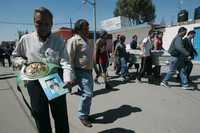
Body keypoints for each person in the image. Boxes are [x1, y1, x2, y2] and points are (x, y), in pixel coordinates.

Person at [12, 7, 72, 133]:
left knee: (60, 116)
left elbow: (65, 62)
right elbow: (15, 56)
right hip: (34, 84)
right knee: (40, 117)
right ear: (34, 21)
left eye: (47, 24)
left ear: (51, 24)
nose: (43, 27)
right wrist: (23, 63)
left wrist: (67, 79)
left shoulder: (58, 40)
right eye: (39, 23)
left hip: (53, 82)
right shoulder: (26, 39)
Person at [66, 19, 94, 128]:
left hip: (89, 71)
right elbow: (69, 59)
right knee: (87, 94)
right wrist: (71, 75)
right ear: (79, 29)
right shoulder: (74, 40)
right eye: (85, 28)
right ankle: (82, 115)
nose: (87, 30)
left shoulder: (87, 40)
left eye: (88, 28)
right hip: (80, 71)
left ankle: (85, 114)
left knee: (89, 94)